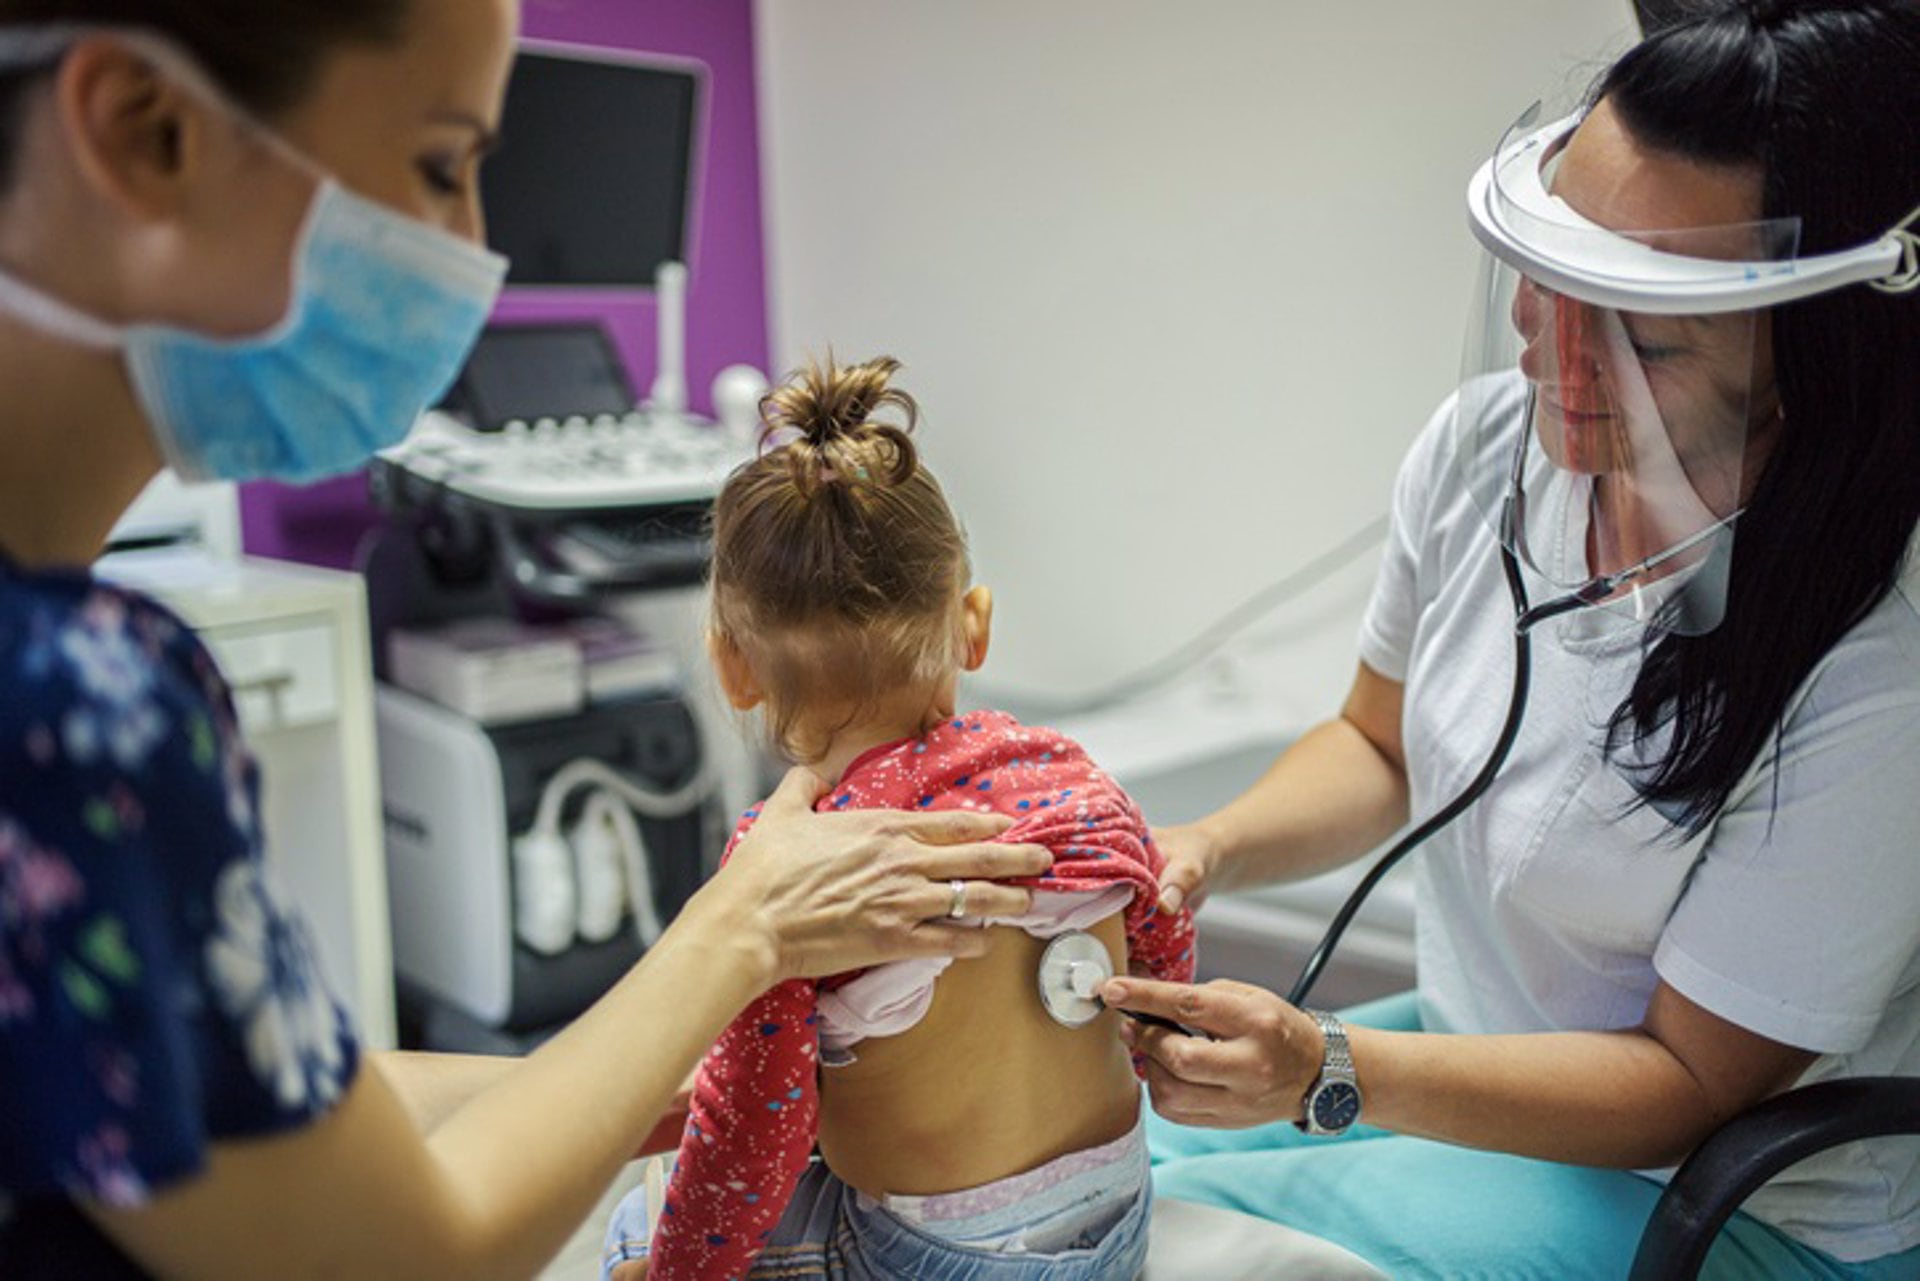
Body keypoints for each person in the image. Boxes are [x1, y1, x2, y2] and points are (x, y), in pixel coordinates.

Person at [0, 6, 1053, 1278]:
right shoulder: (73, 703)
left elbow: (265, 1107)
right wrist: (741, 930)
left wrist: (630, 1070)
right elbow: (395, 1255)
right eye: (443, 165)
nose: (479, 250)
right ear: (146, 132)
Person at [1100, 1, 1920, 1277]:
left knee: (1164, 1251)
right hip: (1476, 1074)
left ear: (1822, 357)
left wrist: (1323, 1065)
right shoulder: (1490, 448)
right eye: (1550, 282)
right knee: (1096, 1172)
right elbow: (1376, 747)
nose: (1562, 361)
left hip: (1723, 1196)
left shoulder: (1884, 658)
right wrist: (1204, 847)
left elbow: (1689, 1078)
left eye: (1648, 338)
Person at [600, 356, 1197, 1280]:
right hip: (1119, 1220)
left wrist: (681, 1270)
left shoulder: (791, 862)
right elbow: (1162, 934)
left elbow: (748, 1133)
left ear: (731, 665)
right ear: (974, 623)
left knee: (640, 1226)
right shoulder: (1069, 774)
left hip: (927, 1257)